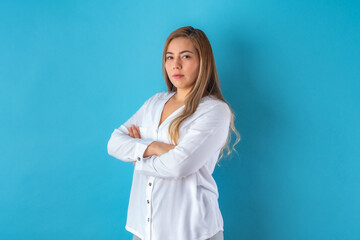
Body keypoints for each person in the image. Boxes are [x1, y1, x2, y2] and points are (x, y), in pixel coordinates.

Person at [107, 26, 240, 240]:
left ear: (202, 61)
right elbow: (114, 143)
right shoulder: (154, 102)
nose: (175, 65)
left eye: (185, 56)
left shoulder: (214, 110)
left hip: (191, 231)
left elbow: (179, 166)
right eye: (170, 57)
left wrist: (138, 158)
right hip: (144, 229)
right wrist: (155, 147)